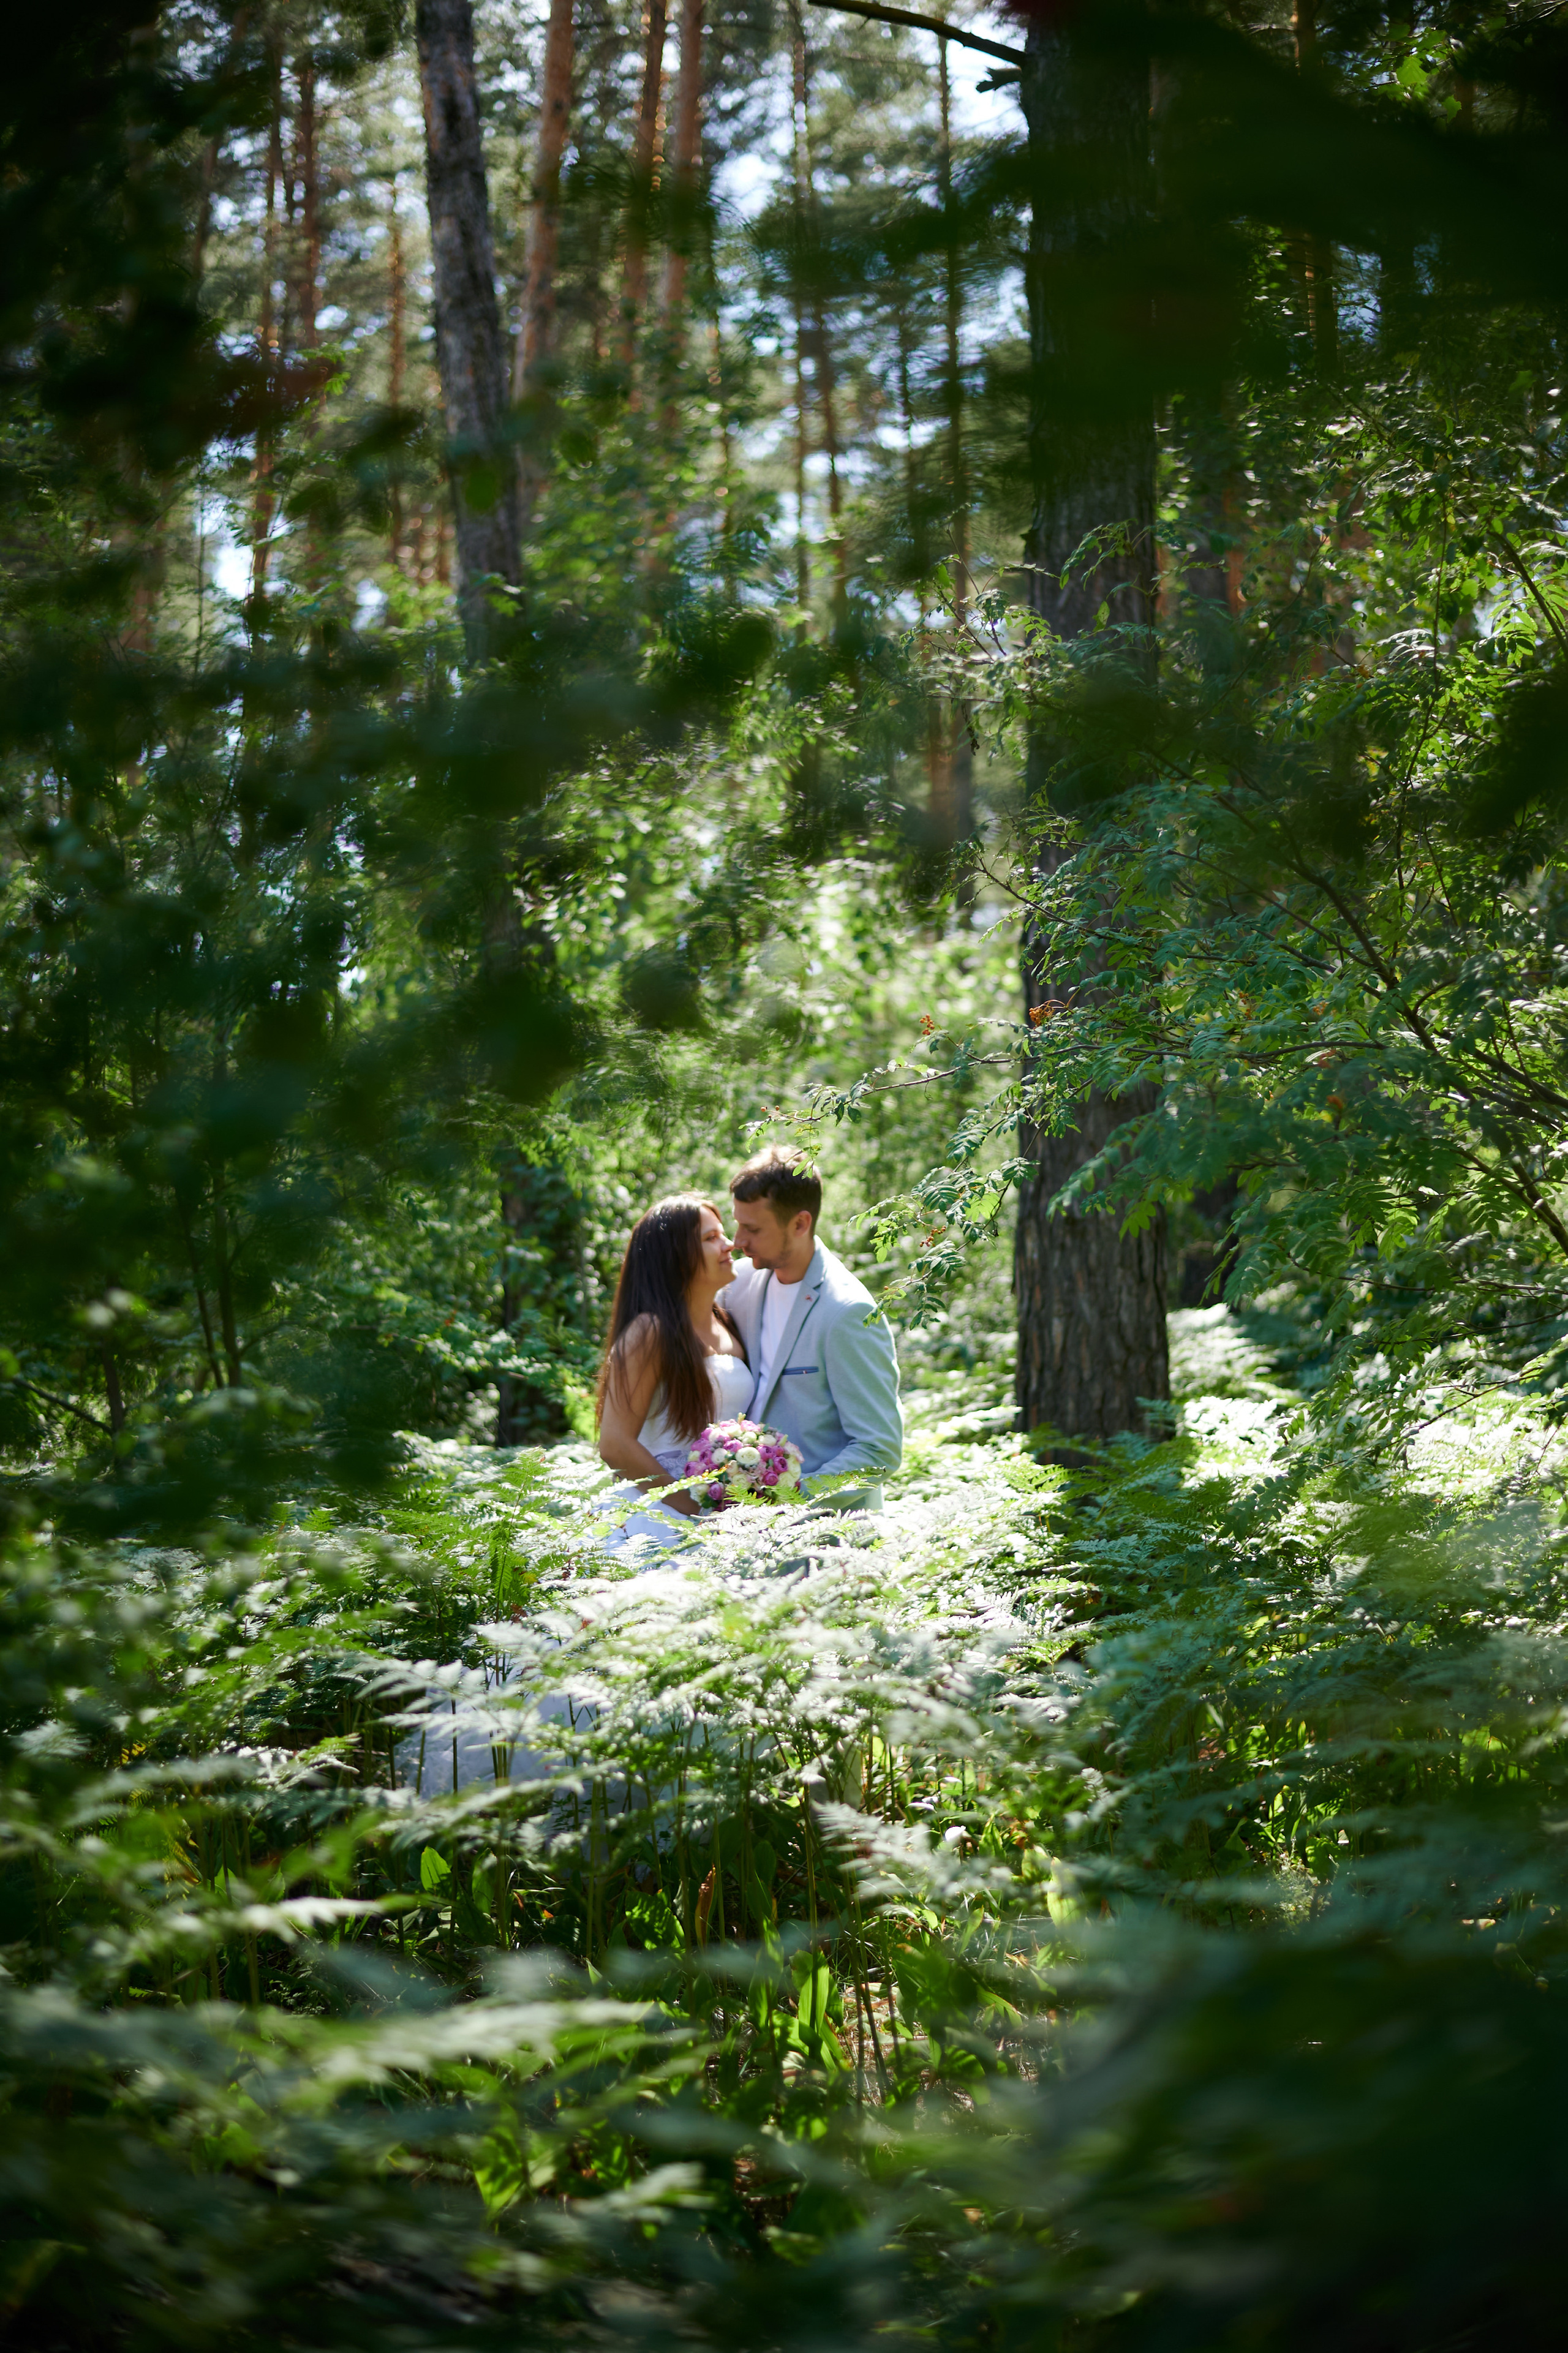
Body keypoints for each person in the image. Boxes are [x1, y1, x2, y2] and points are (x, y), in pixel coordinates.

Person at [725, 1148, 902, 1509]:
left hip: (827, 1543)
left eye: (753, 1228)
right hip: (741, 1538)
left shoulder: (848, 1312)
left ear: (800, 1224)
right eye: (738, 1223)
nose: (738, 1241)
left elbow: (878, 1447)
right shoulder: (737, 1286)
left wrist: (790, 1501)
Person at [596, 1193, 753, 1550]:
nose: (729, 1244)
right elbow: (615, 1444)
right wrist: (695, 1511)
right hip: (658, 1517)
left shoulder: (726, 1323)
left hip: (727, 1519)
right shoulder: (650, 1333)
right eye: (711, 1238)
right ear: (676, 1257)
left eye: (723, 1234)